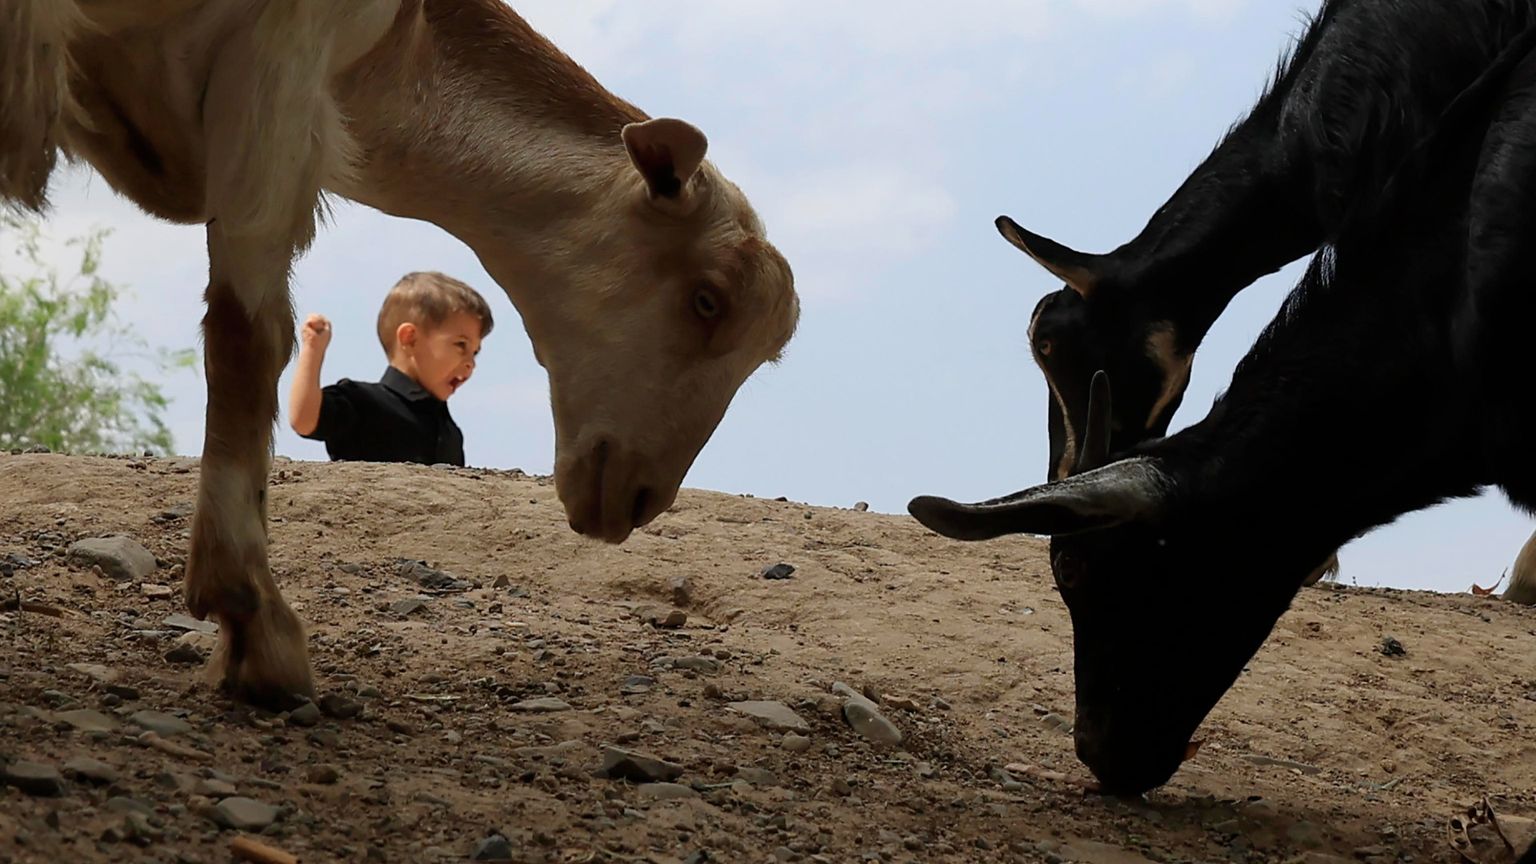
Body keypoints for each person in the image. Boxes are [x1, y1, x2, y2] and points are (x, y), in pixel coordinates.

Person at [287, 271, 493, 466]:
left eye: (475, 352)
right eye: (461, 345)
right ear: (410, 338)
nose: (471, 363)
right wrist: (313, 350)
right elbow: (304, 420)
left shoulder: (450, 433)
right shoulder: (363, 401)